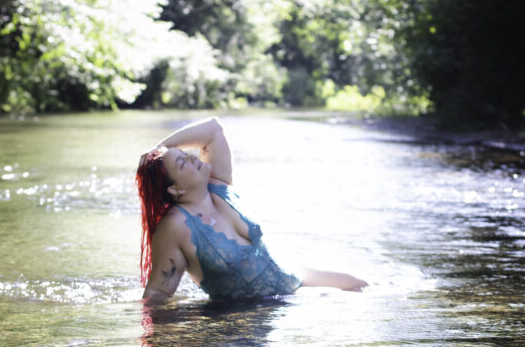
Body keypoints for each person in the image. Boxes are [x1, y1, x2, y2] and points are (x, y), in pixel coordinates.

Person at [136, 117, 368, 301]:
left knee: (364, 287)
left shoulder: (218, 184)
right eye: (181, 162)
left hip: (295, 280)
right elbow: (158, 294)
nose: (191, 158)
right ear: (175, 190)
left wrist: (161, 148)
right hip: (252, 315)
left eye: (185, 154)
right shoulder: (176, 226)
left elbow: (213, 129)